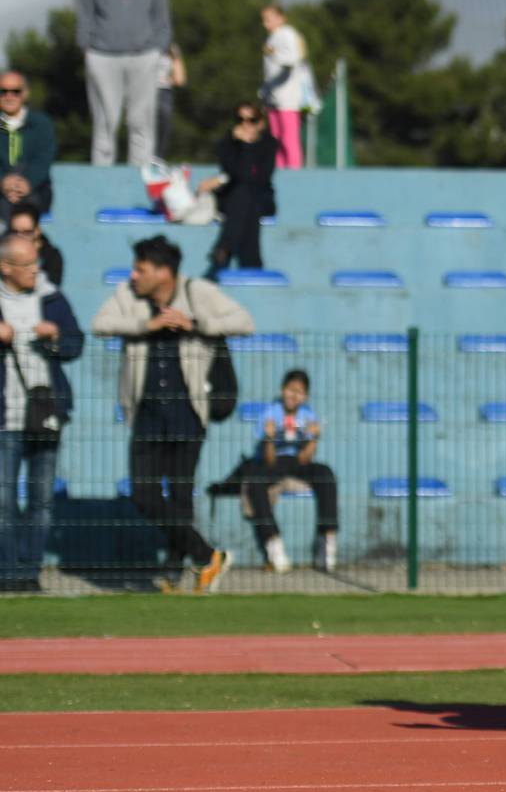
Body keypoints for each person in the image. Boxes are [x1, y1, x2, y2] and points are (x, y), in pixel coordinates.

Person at [91, 235, 253, 593]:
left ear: (164, 272)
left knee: (181, 496)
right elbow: (100, 324)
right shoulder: (128, 296)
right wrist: (145, 326)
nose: (134, 275)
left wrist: (193, 322)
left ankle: (174, 573)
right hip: (146, 413)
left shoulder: (197, 291)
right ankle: (207, 555)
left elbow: (243, 321)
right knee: (144, 494)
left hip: (188, 412)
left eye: (141, 269)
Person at [0, 234, 82, 591]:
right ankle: (7, 573)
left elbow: (76, 342)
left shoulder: (51, 297)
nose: (35, 271)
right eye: (28, 265)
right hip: (6, 419)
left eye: (37, 263)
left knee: (41, 500)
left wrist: (55, 336)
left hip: (46, 414)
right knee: (3, 500)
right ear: (6, 267)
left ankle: (29, 574)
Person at [77, 0, 171, 166]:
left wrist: (158, 47)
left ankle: (138, 173)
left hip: (144, 55)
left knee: (141, 118)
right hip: (102, 55)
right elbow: (85, 11)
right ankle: (101, 173)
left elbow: (162, 15)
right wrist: (86, 46)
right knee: (105, 119)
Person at [243, 369, 338, 572]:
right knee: (256, 483)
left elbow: (306, 458)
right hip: (275, 461)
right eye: (290, 390)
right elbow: (268, 459)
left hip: (297, 461)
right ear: (282, 389)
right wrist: (269, 438)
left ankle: (326, 539)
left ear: (306, 396)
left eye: (299, 392)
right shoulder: (270, 412)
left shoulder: (307, 414)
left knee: (326, 474)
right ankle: (273, 542)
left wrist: (313, 439)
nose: (294, 396)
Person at [198, 101, 277, 279]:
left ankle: (224, 248)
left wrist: (247, 146)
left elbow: (260, 178)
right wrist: (243, 147)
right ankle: (252, 264)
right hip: (233, 199)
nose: (245, 124)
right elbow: (238, 173)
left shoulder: (269, 145)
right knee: (244, 196)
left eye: (252, 120)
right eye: (240, 119)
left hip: (260, 198)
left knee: (247, 196)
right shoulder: (227, 144)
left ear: (261, 123)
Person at [259, 5, 312, 169]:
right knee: (276, 136)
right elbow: (270, 71)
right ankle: (280, 168)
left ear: (281, 18)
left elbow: (293, 59)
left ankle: (294, 170)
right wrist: (265, 91)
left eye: (270, 19)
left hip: (288, 95)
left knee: (289, 136)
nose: (266, 23)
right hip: (274, 95)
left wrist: (275, 54)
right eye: (264, 20)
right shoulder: (271, 38)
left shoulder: (287, 34)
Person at [0, 72, 55, 218]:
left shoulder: (42, 123)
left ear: (25, 94)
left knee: (23, 208)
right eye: (3, 91)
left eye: (15, 91)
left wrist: (26, 183)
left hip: (35, 189)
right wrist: (3, 182)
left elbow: (43, 160)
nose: (9, 96)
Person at [8, 204, 62, 288]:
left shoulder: (52, 257)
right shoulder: (4, 252)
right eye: (15, 232)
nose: (20, 238)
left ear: (37, 230)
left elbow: (50, 293)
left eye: (26, 232)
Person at [152, 45, 186, 162]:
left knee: (164, 122)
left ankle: (158, 158)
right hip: (143, 90)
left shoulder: (171, 48)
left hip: (163, 91)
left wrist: (166, 79)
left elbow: (180, 80)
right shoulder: (141, 41)